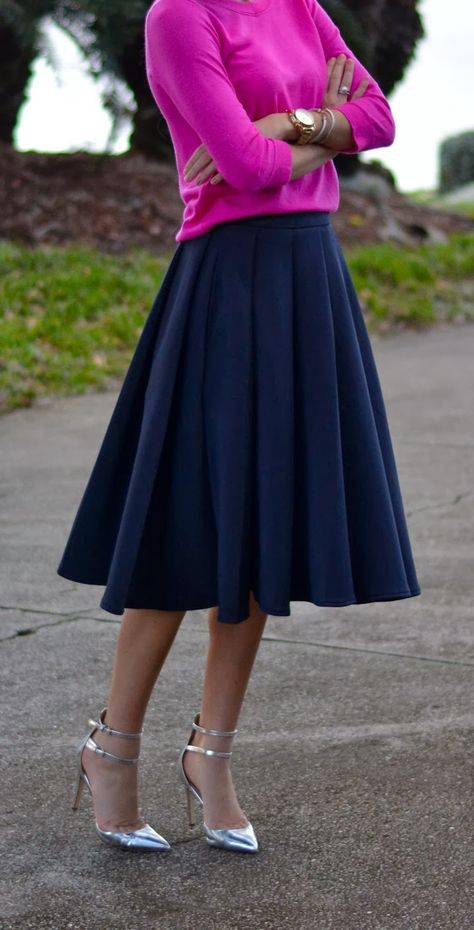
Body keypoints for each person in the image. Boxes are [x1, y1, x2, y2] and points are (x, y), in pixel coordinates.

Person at [57, 0, 421, 855]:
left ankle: (211, 759)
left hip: (309, 279)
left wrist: (292, 122)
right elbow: (245, 167)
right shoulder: (179, 16)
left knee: (263, 533)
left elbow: (381, 118)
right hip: (225, 286)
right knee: (182, 525)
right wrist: (324, 134)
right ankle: (111, 749)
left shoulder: (301, 5)